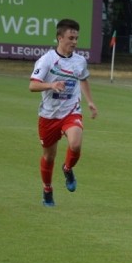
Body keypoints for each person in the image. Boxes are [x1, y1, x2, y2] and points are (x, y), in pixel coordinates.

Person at [28, 18, 98, 207]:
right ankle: (47, 190)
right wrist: (51, 85)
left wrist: (90, 102)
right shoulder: (47, 60)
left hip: (71, 111)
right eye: (71, 38)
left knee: (75, 145)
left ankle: (67, 169)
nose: (74, 42)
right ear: (60, 38)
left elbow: (83, 79)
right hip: (49, 115)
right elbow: (32, 85)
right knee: (49, 156)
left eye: (76, 38)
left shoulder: (79, 61)